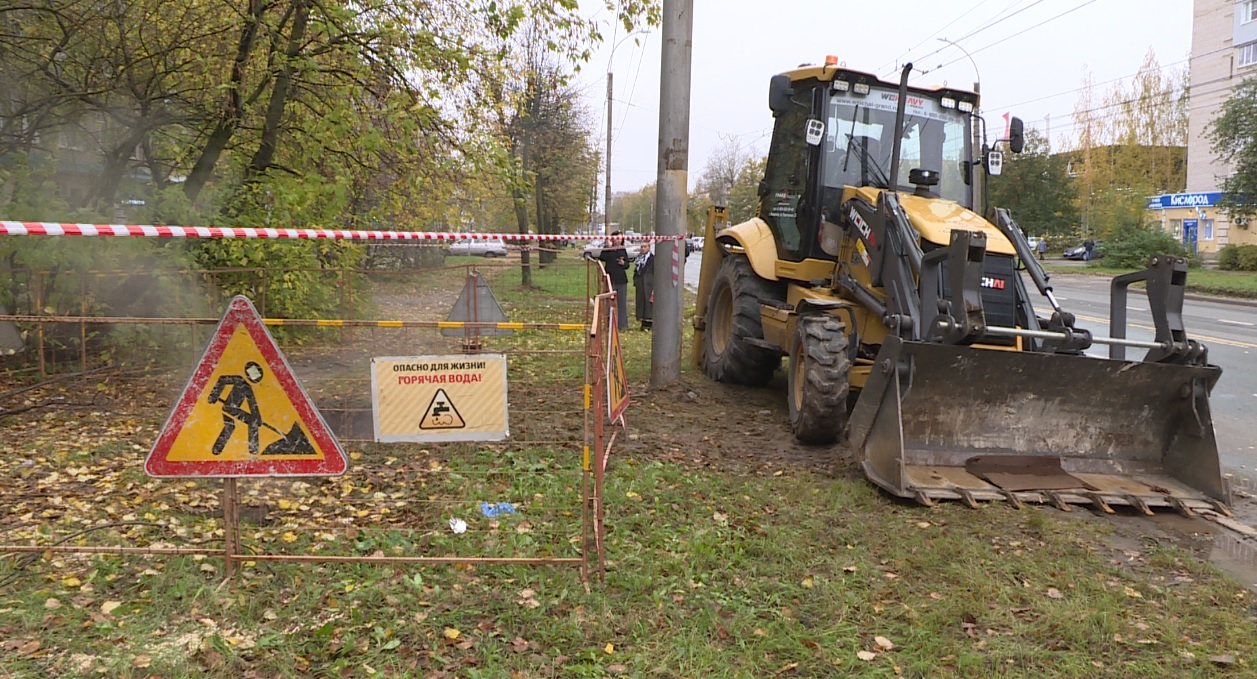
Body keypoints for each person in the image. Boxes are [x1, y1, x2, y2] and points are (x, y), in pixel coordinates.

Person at [598, 231, 631, 330]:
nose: (618, 240)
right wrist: (607, 247)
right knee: (608, 302)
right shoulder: (609, 249)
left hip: (621, 279)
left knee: (622, 303)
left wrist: (623, 263)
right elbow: (602, 257)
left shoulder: (623, 249)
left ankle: (622, 325)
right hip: (610, 279)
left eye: (620, 238)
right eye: (617, 238)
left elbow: (627, 265)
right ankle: (609, 324)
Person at [633, 243, 655, 330]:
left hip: (649, 284)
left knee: (648, 303)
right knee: (641, 302)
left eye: (645, 247)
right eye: (641, 247)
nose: (643, 248)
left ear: (649, 248)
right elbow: (637, 270)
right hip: (640, 283)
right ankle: (643, 321)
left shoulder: (652, 258)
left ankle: (649, 323)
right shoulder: (639, 258)